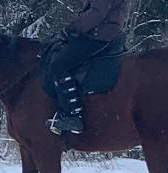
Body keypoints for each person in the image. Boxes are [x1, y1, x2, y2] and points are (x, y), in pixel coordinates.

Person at [46, 0, 131, 135]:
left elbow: (98, 12)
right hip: (104, 31)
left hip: (100, 33)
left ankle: (73, 116)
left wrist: (74, 27)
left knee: (59, 65)